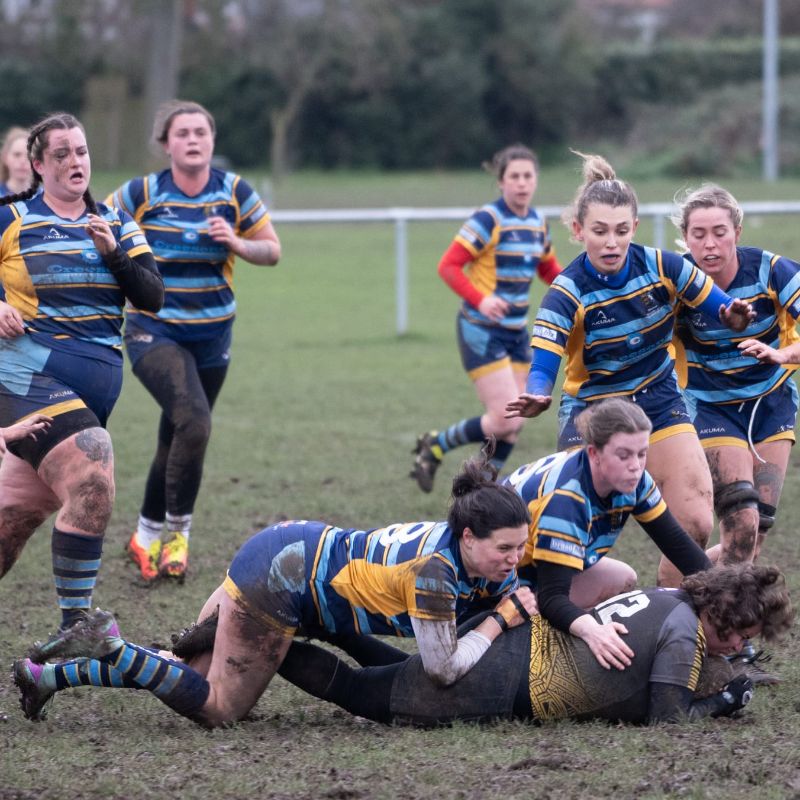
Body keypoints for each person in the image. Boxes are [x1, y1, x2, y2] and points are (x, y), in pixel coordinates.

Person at [14, 451, 538, 727]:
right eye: (505, 550)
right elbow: (442, 668)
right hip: (282, 582)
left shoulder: (467, 547)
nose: (514, 562)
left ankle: (48, 676)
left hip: (285, 549)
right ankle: (113, 644)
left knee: (189, 675)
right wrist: (499, 620)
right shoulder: (437, 575)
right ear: (469, 536)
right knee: (218, 708)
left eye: (521, 549)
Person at [505, 151, 754, 587]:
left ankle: (669, 616)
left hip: (658, 400)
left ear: (634, 228)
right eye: (599, 231)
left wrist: (734, 315)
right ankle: (546, 613)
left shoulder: (663, 267)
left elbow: (719, 305)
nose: (611, 242)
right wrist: (538, 391)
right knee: (572, 534)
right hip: (593, 411)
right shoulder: (566, 293)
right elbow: (545, 358)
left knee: (694, 521)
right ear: (579, 231)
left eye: (621, 231)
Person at [271, 563, 792, 726]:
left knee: (403, 670)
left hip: (523, 646)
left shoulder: (676, 595)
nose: (734, 647)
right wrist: (723, 702)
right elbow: (669, 720)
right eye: (738, 636)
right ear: (719, 612)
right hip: (514, 680)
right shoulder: (686, 633)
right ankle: (265, 636)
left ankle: (309, 621)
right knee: (361, 693)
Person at [0, 112, 164, 631]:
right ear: (38, 164)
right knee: (94, 466)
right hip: (25, 380)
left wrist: (113, 254)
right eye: (63, 153)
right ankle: (77, 627)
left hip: (90, 398)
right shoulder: (11, 219)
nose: (76, 162)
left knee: (8, 527)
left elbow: (152, 296)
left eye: (83, 151)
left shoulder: (115, 223)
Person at [107, 99, 282, 582]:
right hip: (153, 330)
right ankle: (178, 535)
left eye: (200, 132)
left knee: (179, 433)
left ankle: (144, 537)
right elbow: (95, 231)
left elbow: (272, 250)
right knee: (196, 425)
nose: (192, 140)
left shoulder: (234, 192)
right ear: (166, 144)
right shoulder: (140, 192)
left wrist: (237, 242)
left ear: (212, 140)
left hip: (213, 336)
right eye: (182, 133)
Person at [503, 397, 711, 670]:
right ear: (594, 453)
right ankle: (543, 646)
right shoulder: (566, 499)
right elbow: (553, 598)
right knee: (566, 616)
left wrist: (727, 589)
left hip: (536, 572)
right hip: (499, 583)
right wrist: (592, 631)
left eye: (642, 453)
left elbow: (678, 547)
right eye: (623, 455)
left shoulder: (635, 481)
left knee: (621, 578)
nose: (636, 465)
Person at [411, 144, 562, 493]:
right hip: (480, 329)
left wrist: (579, 287)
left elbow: (548, 269)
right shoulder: (488, 220)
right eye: (514, 177)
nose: (522, 183)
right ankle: (437, 446)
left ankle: (476, 487)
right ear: (501, 181)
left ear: (536, 180)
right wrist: (481, 299)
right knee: (505, 417)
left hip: (516, 333)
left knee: (516, 419)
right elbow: (448, 265)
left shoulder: (538, 223)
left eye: (528, 176)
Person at [672, 184, 800, 566]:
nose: (709, 245)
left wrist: (780, 354)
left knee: (755, 533)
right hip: (712, 409)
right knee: (741, 518)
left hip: (771, 406)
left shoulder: (773, 271)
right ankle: (696, 610)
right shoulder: (675, 280)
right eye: (699, 234)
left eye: (719, 232)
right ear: (685, 236)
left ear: (737, 233)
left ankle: (688, 591)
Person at [0, 126, 32, 196]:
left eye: (29, 156)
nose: (23, 161)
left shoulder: (48, 199)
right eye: (17, 155)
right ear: (5, 158)